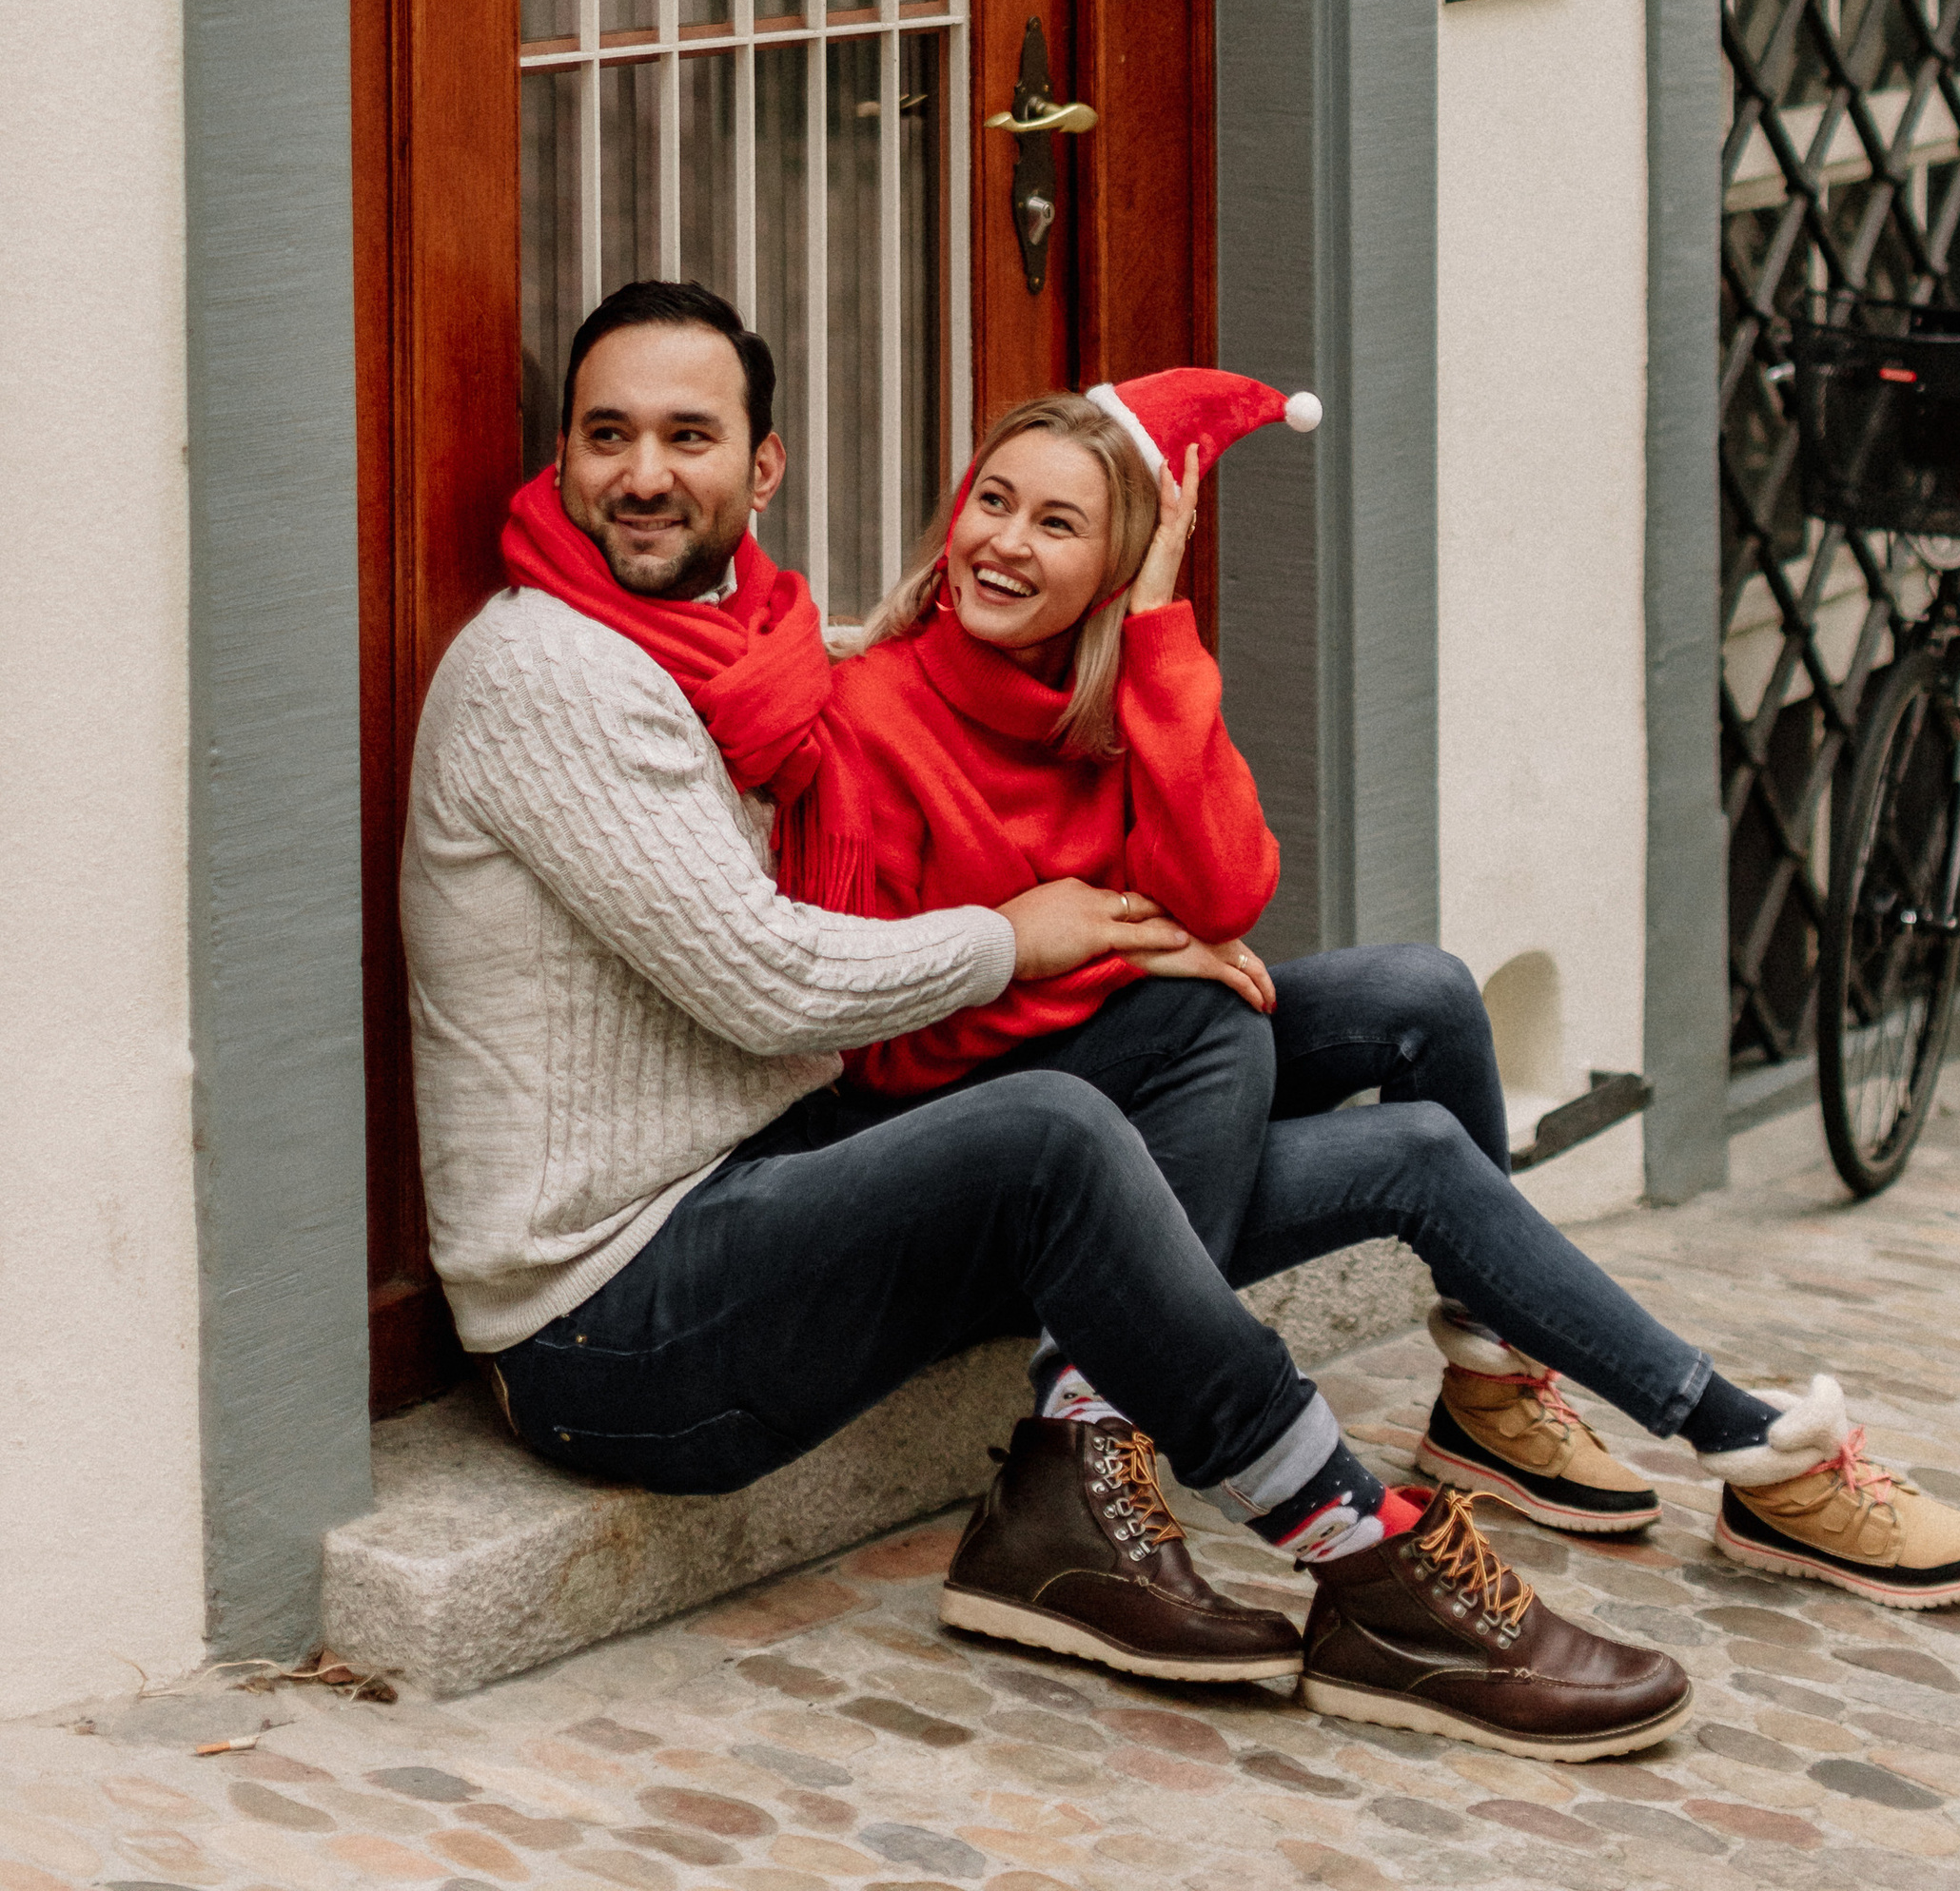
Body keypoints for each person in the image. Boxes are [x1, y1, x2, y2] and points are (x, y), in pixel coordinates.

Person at [401, 283, 1697, 1761]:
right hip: (610, 1322)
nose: (642, 473)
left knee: (1262, 1018)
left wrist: (1139, 651)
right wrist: (1016, 939)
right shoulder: (554, 673)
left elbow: (939, 758)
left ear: (762, 468)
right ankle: (1358, 1555)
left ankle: (1090, 1464)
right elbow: (764, 986)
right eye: (606, 435)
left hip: (770, 1176)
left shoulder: (743, 641)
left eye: (687, 436)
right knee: (1053, 1129)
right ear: (561, 456)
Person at [832, 367, 1960, 1612]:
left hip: (1135, 1105)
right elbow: (877, 1047)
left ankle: (1495, 1392)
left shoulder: (1111, 702)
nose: (1003, 543)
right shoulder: (872, 714)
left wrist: (1161, 639)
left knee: (1425, 993)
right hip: (995, 1176)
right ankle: (1745, 1444)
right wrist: (1074, 943)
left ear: (1120, 566)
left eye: (1057, 523)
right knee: (1306, 1077)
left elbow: (1226, 895)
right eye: (993, 501)